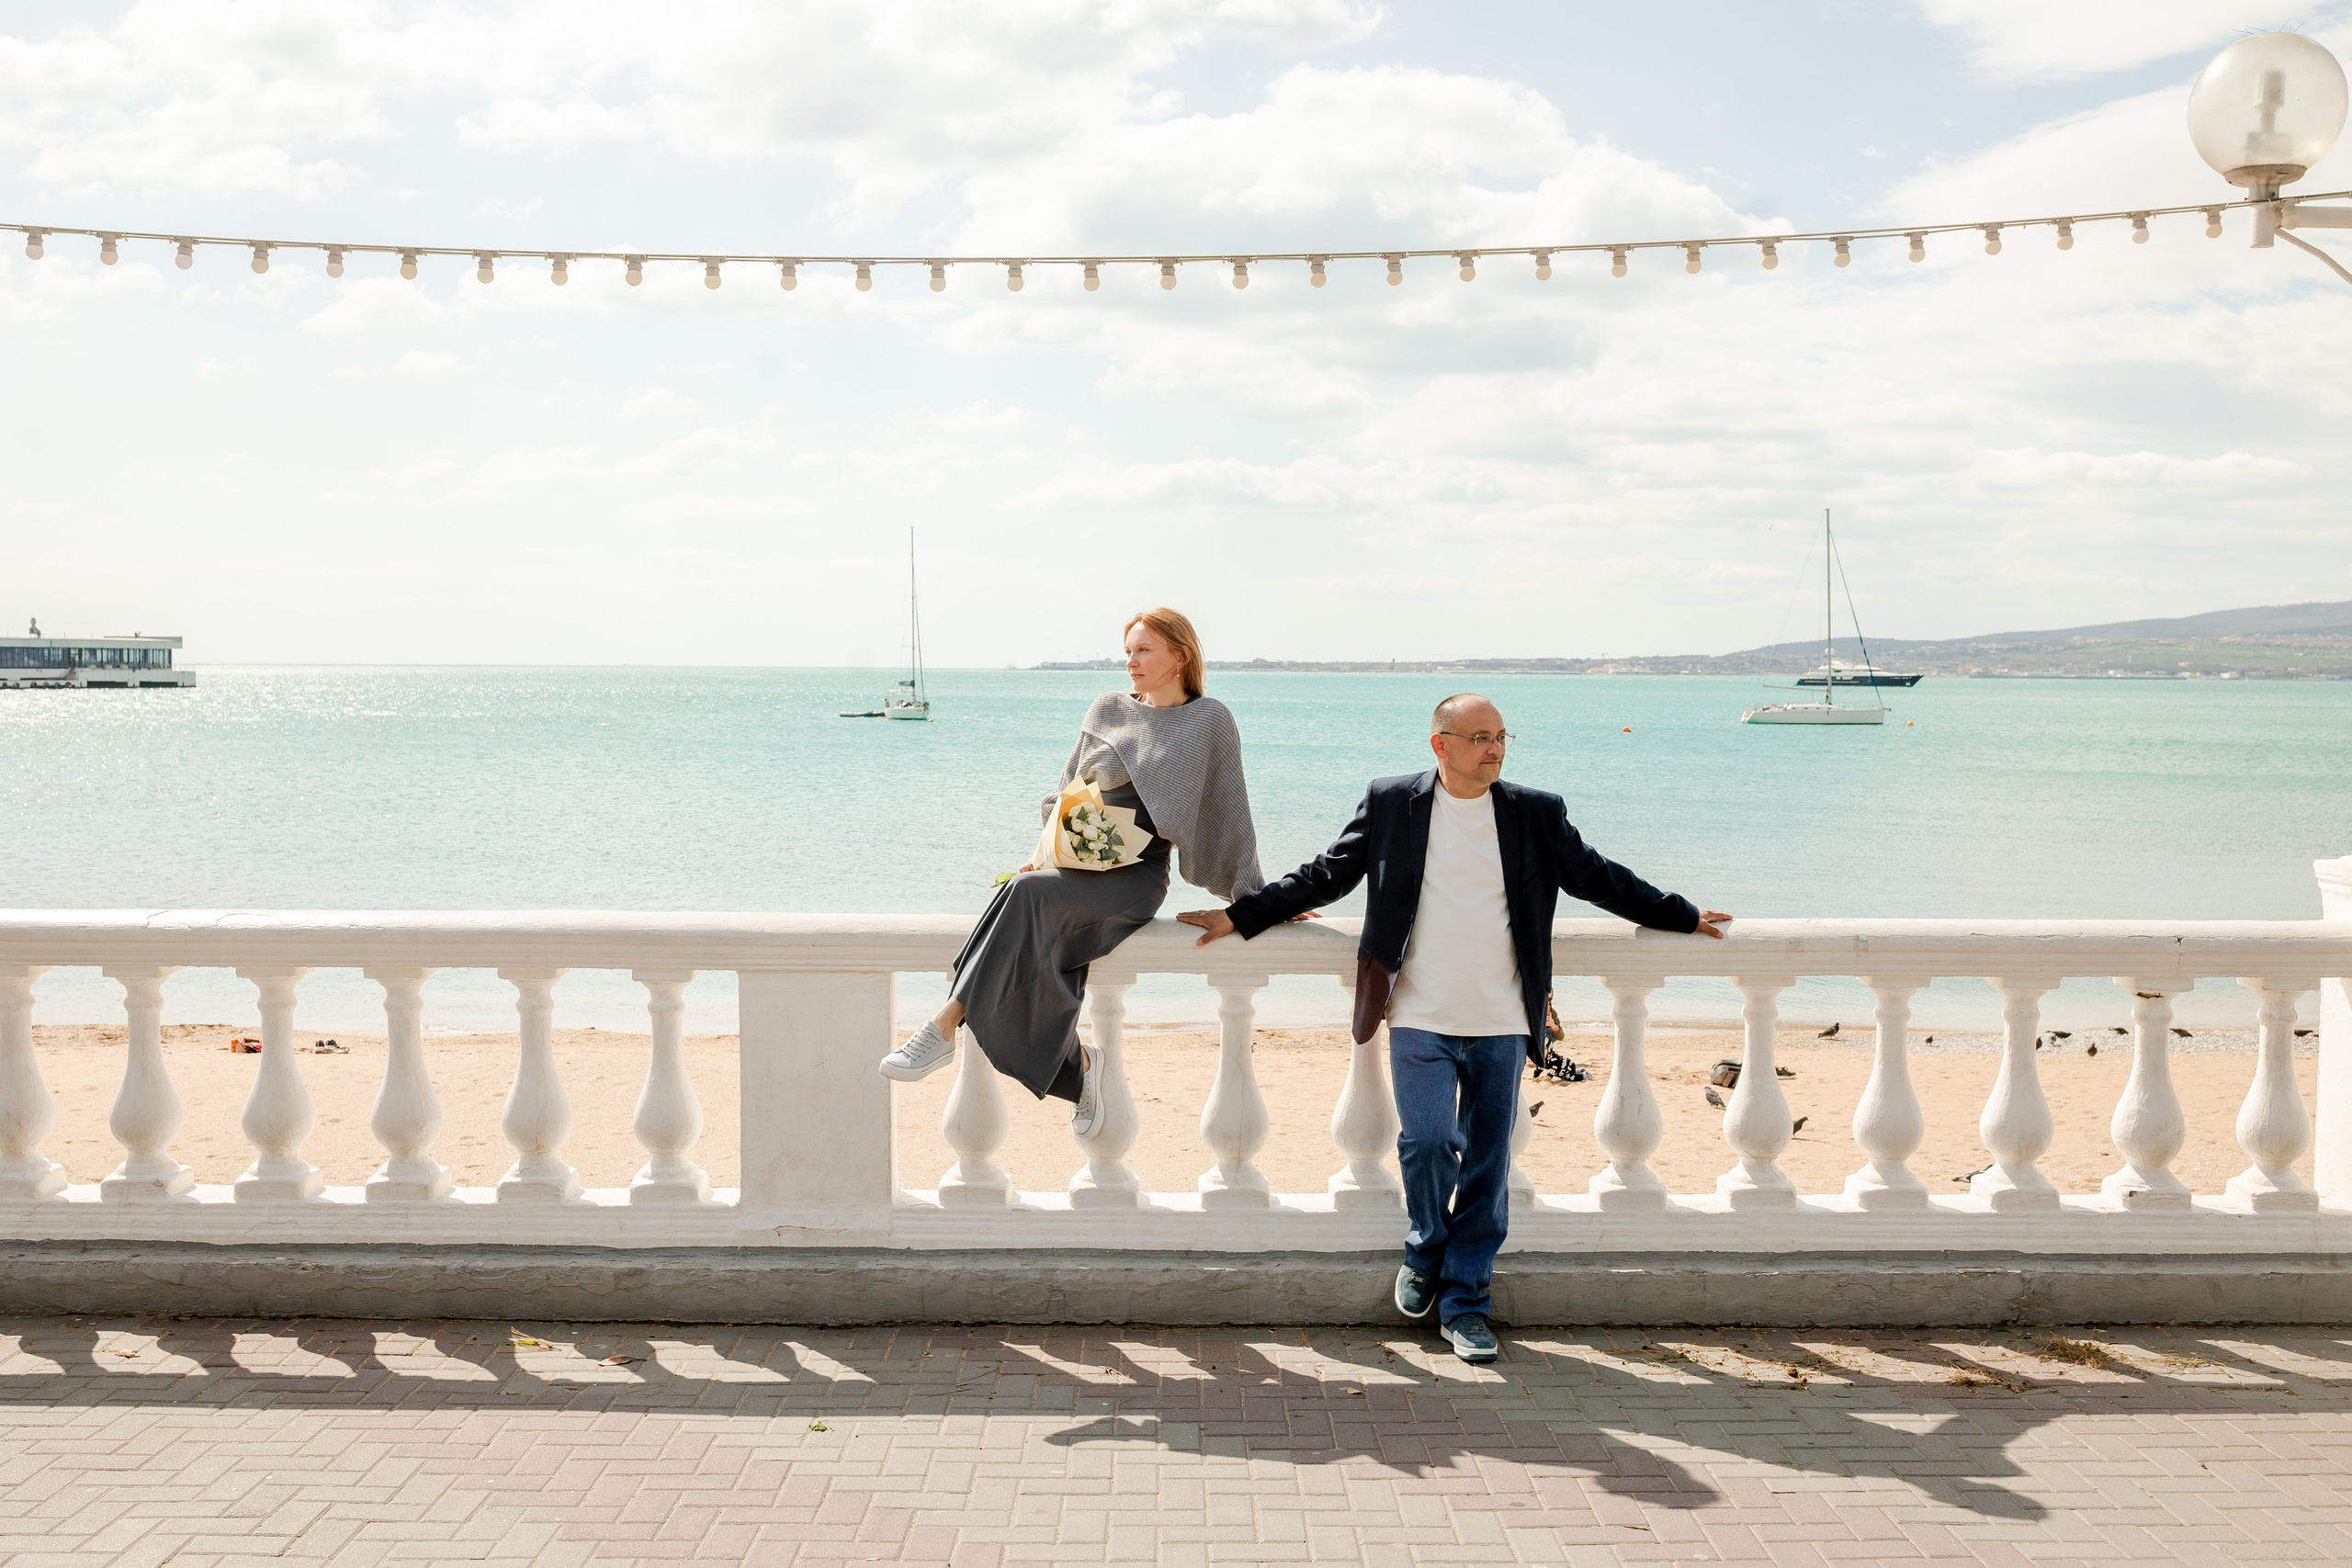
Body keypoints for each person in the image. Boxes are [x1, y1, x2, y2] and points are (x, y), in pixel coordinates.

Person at [1180, 694, 1728, 1362]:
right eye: (1479, 738)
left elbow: (1599, 878)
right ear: (1440, 745)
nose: (1495, 749)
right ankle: (1424, 1250)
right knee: (1430, 1139)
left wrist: (1681, 913)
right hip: (1418, 1010)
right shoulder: (1393, 803)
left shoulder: (1535, 812)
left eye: (1502, 737)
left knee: (1490, 1161)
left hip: (1501, 1017)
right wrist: (1243, 916)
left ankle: (1467, 1302)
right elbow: (1328, 873)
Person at [879, 608, 1269, 1140]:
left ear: (1180, 656)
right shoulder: (1107, 708)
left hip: (1135, 875)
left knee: (1024, 898)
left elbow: (1230, 811)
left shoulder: (1209, 720)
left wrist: (1257, 899)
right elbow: (1066, 789)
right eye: (1127, 650)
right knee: (1023, 889)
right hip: (1078, 856)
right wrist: (1046, 851)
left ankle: (946, 1026)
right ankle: (1075, 1065)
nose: (1130, 662)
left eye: (1143, 651)